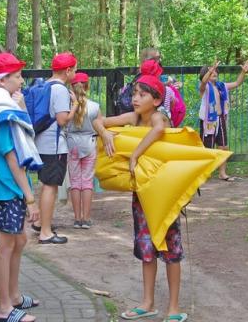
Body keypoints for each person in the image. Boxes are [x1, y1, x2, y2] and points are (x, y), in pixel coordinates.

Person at [98, 72, 188, 322]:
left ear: (157, 100)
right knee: (146, 247)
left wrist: (136, 154)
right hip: (141, 196)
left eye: (142, 94)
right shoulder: (134, 117)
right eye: (135, 94)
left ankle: (173, 308)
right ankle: (148, 302)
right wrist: (105, 134)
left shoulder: (160, 117)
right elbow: (98, 121)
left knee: (170, 249)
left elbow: (159, 130)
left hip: (163, 196)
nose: (135, 98)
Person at [0, 53, 41, 322]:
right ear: (2, 80)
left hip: (12, 187)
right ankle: (3, 308)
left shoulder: (7, 109)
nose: (21, 80)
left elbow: (25, 137)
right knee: (5, 246)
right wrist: (30, 197)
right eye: (17, 76)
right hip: (7, 188)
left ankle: (14, 297)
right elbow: (12, 157)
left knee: (19, 240)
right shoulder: (1, 116)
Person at [32, 52, 78, 245]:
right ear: (67, 70)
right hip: (54, 146)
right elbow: (62, 119)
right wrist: (75, 105)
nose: (75, 73)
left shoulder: (44, 85)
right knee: (51, 187)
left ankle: (42, 223)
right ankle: (46, 232)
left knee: (45, 184)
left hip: (41, 143)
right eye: (75, 69)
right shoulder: (59, 90)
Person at [197, 59, 248, 182]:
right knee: (208, 148)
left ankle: (222, 173)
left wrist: (243, 72)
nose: (214, 73)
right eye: (211, 72)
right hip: (208, 121)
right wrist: (209, 71)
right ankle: (205, 172)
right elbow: (203, 82)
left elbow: (237, 83)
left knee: (223, 147)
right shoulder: (204, 88)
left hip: (220, 119)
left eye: (215, 71)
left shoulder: (222, 86)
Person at [65, 72, 102, 229]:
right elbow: (100, 126)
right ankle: (86, 219)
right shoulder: (95, 107)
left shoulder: (67, 107)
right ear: (87, 86)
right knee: (87, 182)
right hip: (90, 144)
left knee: (75, 183)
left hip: (72, 144)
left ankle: (77, 218)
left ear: (71, 88)